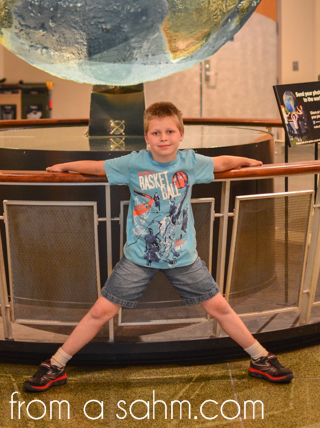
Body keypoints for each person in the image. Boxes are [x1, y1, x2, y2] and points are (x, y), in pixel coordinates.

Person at [23, 101, 293, 393]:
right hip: (139, 258)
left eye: (169, 131)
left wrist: (246, 161)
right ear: (147, 137)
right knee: (100, 311)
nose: (163, 138)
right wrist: (65, 166)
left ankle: (260, 358)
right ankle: (56, 364)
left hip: (183, 258)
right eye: (156, 133)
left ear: (180, 135)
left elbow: (220, 162)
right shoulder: (133, 163)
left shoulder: (190, 162)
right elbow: (98, 169)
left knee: (220, 307)